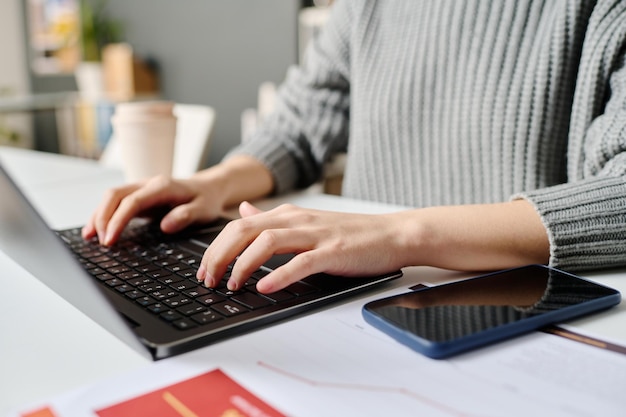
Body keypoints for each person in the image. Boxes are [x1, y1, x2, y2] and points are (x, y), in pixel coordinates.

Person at [83, 0, 626, 295]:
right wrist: (211, 184)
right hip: (354, 288)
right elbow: (303, 117)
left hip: (512, 307)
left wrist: (397, 234)